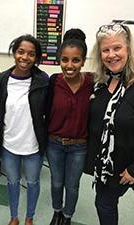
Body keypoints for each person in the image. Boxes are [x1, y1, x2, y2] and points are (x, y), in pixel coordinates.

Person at [84, 23, 134, 225]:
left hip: (125, 166)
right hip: (104, 164)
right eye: (106, 50)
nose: (111, 54)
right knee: (105, 203)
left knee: (104, 203)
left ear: (128, 48)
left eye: (117, 48)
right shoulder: (101, 81)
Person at [0, 34, 49, 225]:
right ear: (14, 52)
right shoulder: (0, 79)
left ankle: (29, 217)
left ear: (36, 58)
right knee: (12, 182)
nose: (25, 57)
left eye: (31, 54)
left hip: (33, 145)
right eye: (21, 52)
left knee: (33, 183)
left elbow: (48, 112)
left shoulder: (43, 80)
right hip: (9, 145)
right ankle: (14, 217)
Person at [46, 29, 93, 225]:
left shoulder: (93, 82)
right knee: (57, 182)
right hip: (54, 144)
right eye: (64, 60)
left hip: (79, 147)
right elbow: (45, 112)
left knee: (72, 185)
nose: (69, 65)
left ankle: (67, 216)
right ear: (59, 60)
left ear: (83, 61)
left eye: (75, 60)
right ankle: (57, 212)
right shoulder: (54, 81)